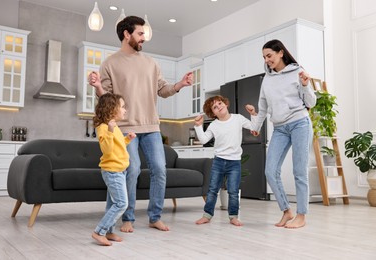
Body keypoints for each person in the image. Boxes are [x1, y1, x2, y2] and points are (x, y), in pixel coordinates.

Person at [88, 16, 193, 232]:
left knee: (159, 170)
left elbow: (162, 90)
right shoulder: (110, 63)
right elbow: (106, 98)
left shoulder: (151, 63)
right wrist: (98, 86)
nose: (143, 38)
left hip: (151, 127)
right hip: (125, 128)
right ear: (127, 35)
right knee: (131, 169)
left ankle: (155, 216)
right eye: (140, 33)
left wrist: (180, 84)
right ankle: (128, 218)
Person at [245, 39, 316, 229]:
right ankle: (287, 211)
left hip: (300, 123)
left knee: (299, 171)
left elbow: (311, 102)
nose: (267, 60)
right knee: (270, 171)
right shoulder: (266, 79)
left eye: (269, 55)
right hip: (280, 128)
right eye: (264, 57)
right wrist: (257, 127)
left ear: (281, 53)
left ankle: (301, 215)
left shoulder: (297, 72)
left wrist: (305, 85)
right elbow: (262, 107)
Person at [193, 95, 256, 227]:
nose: (219, 107)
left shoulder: (238, 118)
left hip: (234, 162)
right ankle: (207, 215)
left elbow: (254, 127)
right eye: (215, 107)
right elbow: (204, 140)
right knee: (212, 190)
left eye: (220, 103)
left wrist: (253, 113)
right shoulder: (213, 125)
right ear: (213, 113)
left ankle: (233, 217)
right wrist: (198, 126)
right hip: (218, 161)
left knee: (233, 191)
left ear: (226, 104)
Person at [92, 93, 136, 246]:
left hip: (120, 170)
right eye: (122, 107)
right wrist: (110, 130)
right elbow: (107, 149)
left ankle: (109, 232)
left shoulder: (114, 126)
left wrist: (127, 139)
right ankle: (99, 231)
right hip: (112, 171)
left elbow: (118, 145)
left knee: (112, 204)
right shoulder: (103, 127)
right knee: (121, 203)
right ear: (112, 109)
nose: (125, 110)